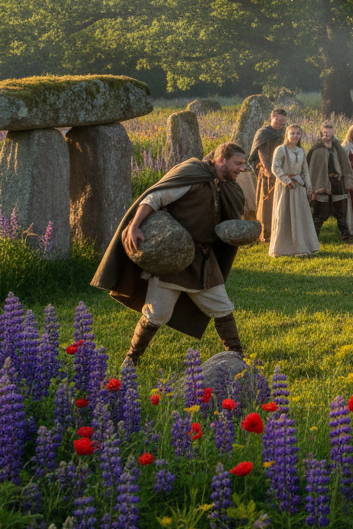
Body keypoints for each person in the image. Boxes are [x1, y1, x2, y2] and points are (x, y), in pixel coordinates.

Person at [92, 142, 250, 367]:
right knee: (156, 314)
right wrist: (136, 225)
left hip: (205, 261)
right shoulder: (192, 175)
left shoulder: (224, 185)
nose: (242, 168)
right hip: (173, 260)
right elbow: (154, 198)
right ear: (221, 160)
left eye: (243, 164)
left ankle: (238, 356)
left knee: (223, 308)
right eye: (238, 163)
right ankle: (131, 359)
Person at [269, 124, 320, 257]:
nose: (295, 136)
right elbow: (275, 167)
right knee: (285, 215)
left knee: (300, 216)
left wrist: (309, 187)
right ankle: (283, 249)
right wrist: (287, 180)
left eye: (298, 133)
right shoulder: (281, 149)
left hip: (299, 187)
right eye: (292, 133)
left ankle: (302, 246)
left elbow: (305, 171)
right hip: (285, 187)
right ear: (287, 134)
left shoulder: (301, 151)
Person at [307, 121, 353, 242]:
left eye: (329, 132)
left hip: (337, 183)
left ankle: (346, 236)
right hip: (321, 182)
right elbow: (311, 167)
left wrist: (348, 181)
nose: (327, 134)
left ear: (333, 132)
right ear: (321, 132)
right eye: (324, 132)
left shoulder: (338, 147)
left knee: (341, 213)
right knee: (320, 213)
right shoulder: (316, 148)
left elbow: (345, 164)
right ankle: (314, 238)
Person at [249, 108, 288, 243]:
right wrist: (269, 170)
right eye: (279, 120)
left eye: (284, 121)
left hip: (284, 170)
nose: (281, 123)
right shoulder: (264, 133)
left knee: (282, 200)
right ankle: (267, 233)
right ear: (272, 118)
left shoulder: (286, 132)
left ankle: (282, 230)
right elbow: (262, 152)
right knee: (268, 201)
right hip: (268, 172)